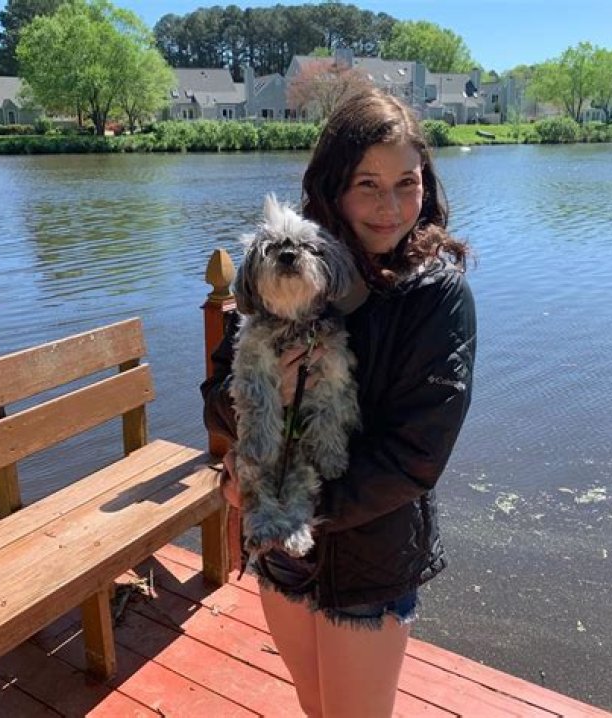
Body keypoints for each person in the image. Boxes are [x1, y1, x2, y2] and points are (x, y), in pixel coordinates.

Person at [201, 86, 477, 718]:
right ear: (333, 184)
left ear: (426, 184)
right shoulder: (284, 262)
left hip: (367, 558)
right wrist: (261, 397)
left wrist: (282, 507)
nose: (390, 207)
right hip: (281, 552)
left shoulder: (437, 296)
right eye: (366, 184)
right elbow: (215, 398)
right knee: (314, 705)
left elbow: (415, 458)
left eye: (406, 183)